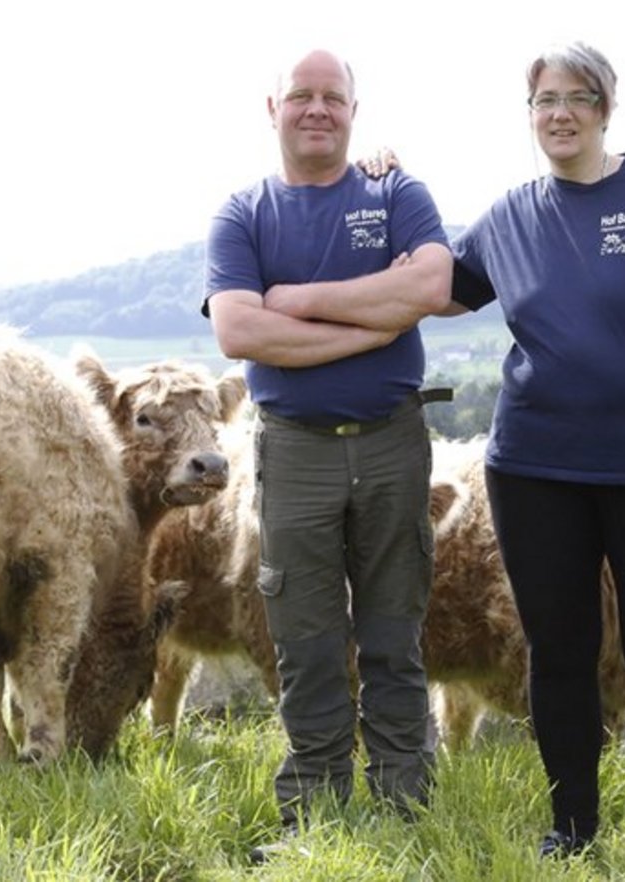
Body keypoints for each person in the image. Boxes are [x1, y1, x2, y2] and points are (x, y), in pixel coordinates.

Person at [376, 41, 625, 861]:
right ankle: (572, 832)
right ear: (531, 113)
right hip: (535, 470)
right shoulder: (512, 214)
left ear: (606, 109)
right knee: (558, 651)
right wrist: (391, 188)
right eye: (544, 99)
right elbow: (434, 287)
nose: (559, 112)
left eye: (578, 97)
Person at [202, 48, 454, 863]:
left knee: (394, 629)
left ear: (354, 108)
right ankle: (313, 809)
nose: (318, 109)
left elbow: (430, 287)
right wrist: (373, 322)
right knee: (304, 638)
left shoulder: (395, 191)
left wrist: (302, 304)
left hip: (391, 443)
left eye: (333, 97)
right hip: (294, 452)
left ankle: (404, 801)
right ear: (271, 107)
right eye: (302, 96)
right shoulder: (242, 215)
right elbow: (240, 331)